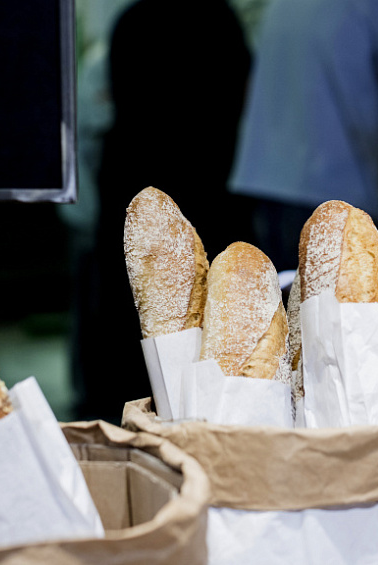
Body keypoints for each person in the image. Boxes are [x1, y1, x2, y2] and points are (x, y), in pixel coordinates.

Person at [73, 0, 253, 421]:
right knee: (206, 324)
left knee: (129, 322)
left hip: (136, 189)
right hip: (207, 189)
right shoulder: (219, 20)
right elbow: (241, 100)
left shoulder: (131, 23)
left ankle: (124, 425)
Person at [229, 0, 378, 272]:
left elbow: (309, 111)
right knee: (342, 309)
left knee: (279, 307)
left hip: (262, 186)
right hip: (330, 197)